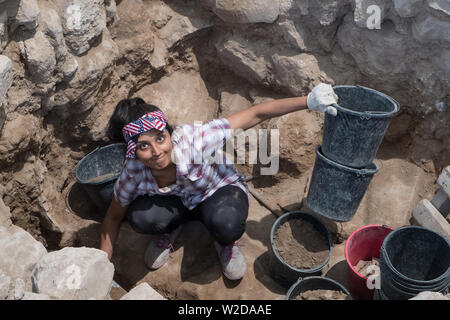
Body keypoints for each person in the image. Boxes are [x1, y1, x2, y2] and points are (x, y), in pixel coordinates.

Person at [99, 83, 338, 281]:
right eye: (143, 146)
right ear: (133, 152)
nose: (156, 151)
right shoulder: (133, 171)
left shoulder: (196, 141)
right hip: (180, 200)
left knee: (226, 223)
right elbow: (113, 216)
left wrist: (308, 101)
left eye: (160, 138)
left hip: (218, 191)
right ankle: (174, 226)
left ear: (169, 134)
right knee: (141, 217)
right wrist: (101, 265)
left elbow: (256, 114)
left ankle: (225, 242)